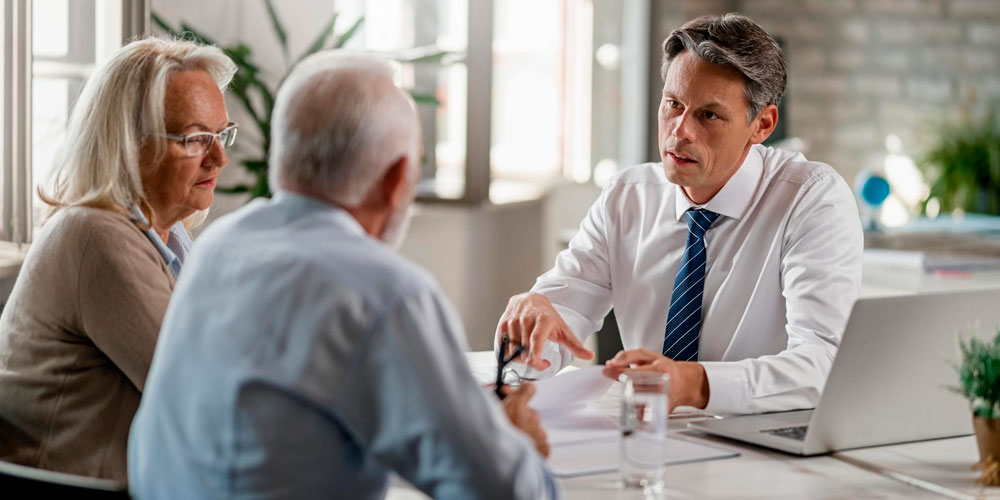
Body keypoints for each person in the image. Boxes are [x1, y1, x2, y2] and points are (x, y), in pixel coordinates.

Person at [128, 51, 557, 500]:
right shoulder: (384, 294)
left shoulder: (219, 247)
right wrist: (513, 443)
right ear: (396, 181)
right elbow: (506, 492)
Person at [496, 13, 863, 415]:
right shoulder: (628, 196)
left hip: (760, 444)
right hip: (647, 436)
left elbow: (825, 364)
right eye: (673, 104)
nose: (679, 131)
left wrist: (694, 383)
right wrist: (530, 335)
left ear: (762, 125)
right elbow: (562, 315)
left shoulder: (811, 199)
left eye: (709, 115)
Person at [0, 38, 236, 482]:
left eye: (222, 134)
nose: (219, 158)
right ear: (129, 143)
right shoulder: (96, 236)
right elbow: (207, 400)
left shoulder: (170, 238)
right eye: (195, 139)